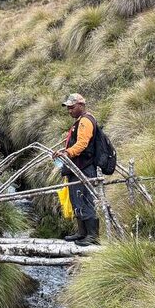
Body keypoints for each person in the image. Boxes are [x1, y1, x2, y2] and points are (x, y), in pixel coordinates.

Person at [53, 93, 100, 247]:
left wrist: (67, 153)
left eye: (72, 107)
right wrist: (64, 151)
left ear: (81, 105)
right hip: (77, 168)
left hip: (84, 168)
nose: (69, 111)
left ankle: (92, 236)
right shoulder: (80, 121)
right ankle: (81, 233)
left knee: (85, 199)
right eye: (68, 108)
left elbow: (82, 144)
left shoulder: (86, 121)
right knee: (76, 199)